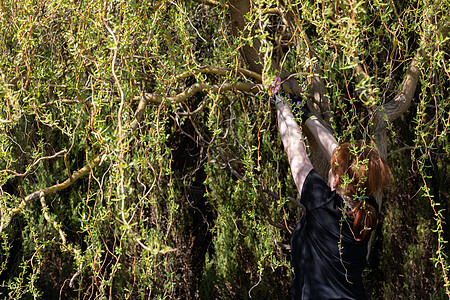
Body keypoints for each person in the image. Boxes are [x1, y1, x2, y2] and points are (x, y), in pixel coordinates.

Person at [272, 89, 391, 299]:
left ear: (336, 179)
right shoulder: (368, 206)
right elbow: (337, 152)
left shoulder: (323, 205)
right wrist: (307, 116)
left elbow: (295, 152)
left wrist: (280, 102)